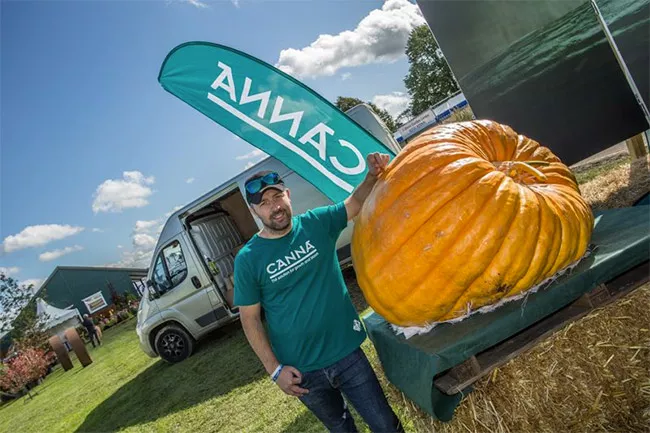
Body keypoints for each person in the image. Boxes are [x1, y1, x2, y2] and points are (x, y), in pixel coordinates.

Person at [234, 152, 404, 433]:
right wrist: (275, 370)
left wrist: (372, 176)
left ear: (288, 195)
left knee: (386, 426)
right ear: (255, 211)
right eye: (264, 203)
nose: (274, 207)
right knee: (340, 428)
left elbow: (356, 202)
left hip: (347, 355)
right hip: (302, 372)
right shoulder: (249, 258)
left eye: (277, 197)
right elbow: (249, 319)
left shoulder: (316, 224)